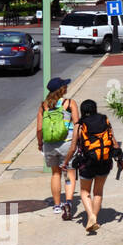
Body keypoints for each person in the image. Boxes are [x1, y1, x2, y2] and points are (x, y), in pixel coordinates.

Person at [63, 99, 121, 234]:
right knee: (98, 192)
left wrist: (66, 162)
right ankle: (94, 219)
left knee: (85, 192)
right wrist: (118, 158)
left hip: (86, 163)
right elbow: (114, 141)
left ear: (83, 111)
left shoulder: (80, 125)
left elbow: (72, 148)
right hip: (104, 161)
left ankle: (91, 217)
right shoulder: (105, 120)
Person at [36, 77, 79, 219]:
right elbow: (77, 124)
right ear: (62, 89)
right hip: (67, 143)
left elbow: (39, 129)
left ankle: (56, 205)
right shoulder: (69, 103)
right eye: (65, 86)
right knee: (69, 173)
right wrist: (76, 141)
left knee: (55, 173)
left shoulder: (44, 106)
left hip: (49, 144)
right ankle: (68, 202)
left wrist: (40, 143)